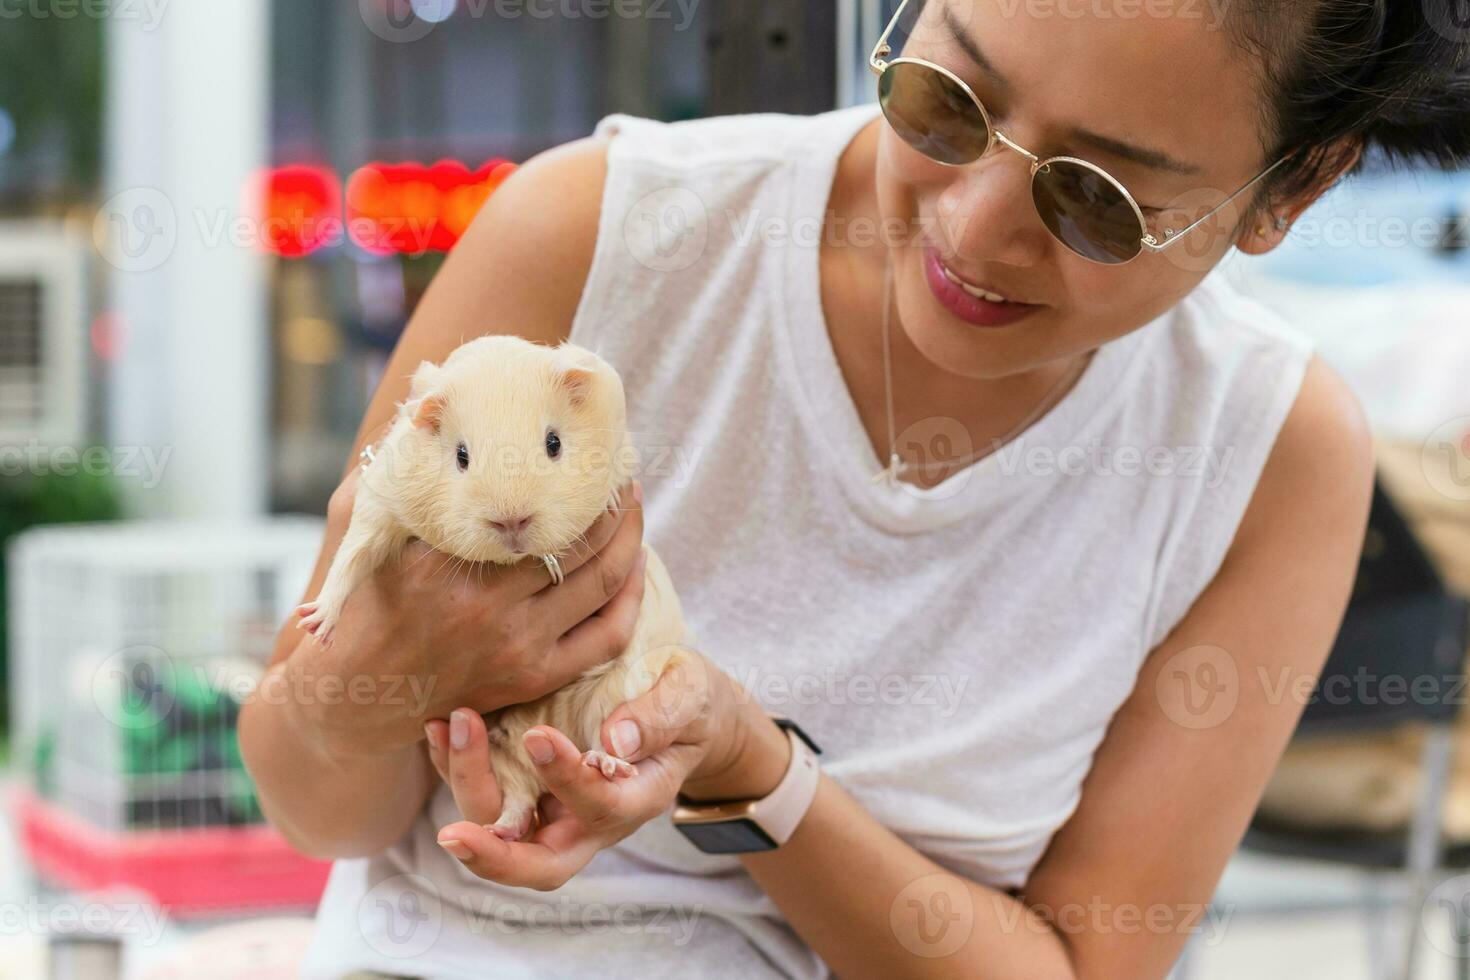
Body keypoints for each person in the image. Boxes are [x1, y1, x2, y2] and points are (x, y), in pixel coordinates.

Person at [239, 1, 1470, 976]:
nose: (974, 228)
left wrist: (754, 774)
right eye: (947, 101)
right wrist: (355, 686)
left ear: (1297, 188)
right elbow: (319, 810)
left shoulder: (1264, 453)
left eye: (1097, 199)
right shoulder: (601, 236)